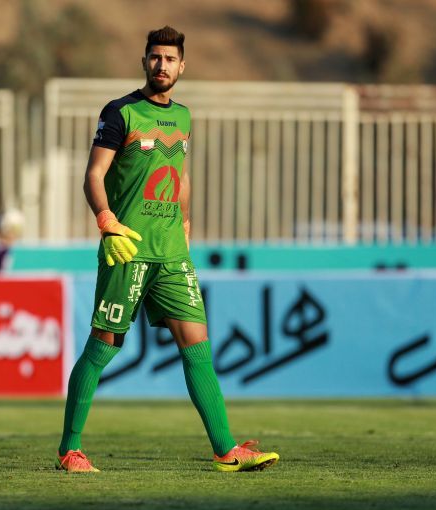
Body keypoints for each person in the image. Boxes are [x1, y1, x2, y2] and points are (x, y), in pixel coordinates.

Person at [55, 26, 279, 473]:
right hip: (129, 249)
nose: (162, 65)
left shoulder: (183, 117)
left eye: (170, 59)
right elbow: (94, 174)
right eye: (155, 57)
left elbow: (180, 172)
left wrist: (187, 222)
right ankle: (69, 450)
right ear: (144, 62)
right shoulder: (121, 112)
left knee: (198, 347)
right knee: (103, 346)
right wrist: (106, 220)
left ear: (182, 66)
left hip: (173, 252)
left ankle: (226, 450)